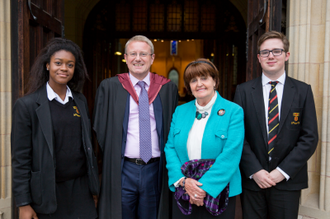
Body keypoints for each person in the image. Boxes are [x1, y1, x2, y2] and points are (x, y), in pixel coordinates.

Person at [234, 31, 318, 218]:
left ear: (286, 55)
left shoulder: (303, 91)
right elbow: (238, 136)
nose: (270, 56)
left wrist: (282, 172)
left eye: (276, 51)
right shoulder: (243, 91)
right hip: (253, 182)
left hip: (287, 182)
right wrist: (255, 170)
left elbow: (309, 137)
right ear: (258, 58)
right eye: (265, 52)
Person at [11, 38, 99, 219]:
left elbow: (87, 146)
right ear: (47, 65)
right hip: (46, 193)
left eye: (70, 65)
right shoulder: (27, 105)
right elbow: (20, 159)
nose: (64, 68)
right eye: (58, 63)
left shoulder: (80, 101)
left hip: (81, 191)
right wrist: (23, 204)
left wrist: (93, 188)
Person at [93, 35, 178, 219]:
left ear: (152, 58)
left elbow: (173, 130)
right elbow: (99, 128)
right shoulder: (109, 88)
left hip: (155, 170)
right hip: (123, 169)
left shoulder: (166, 88)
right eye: (133, 53)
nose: (137, 58)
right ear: (125, 57)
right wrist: (113, 155)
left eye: (143, 54)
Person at [165, 58, 244, 218]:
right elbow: (170, 147)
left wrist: (203, 188)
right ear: (189, 87)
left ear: (215, 81)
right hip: (184, 190)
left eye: (204, 78)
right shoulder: (180, 111)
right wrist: (183, 181)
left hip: (219, 193)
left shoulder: (233, 111)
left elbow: (231, 155)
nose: (199, 84)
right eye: (193, 80)